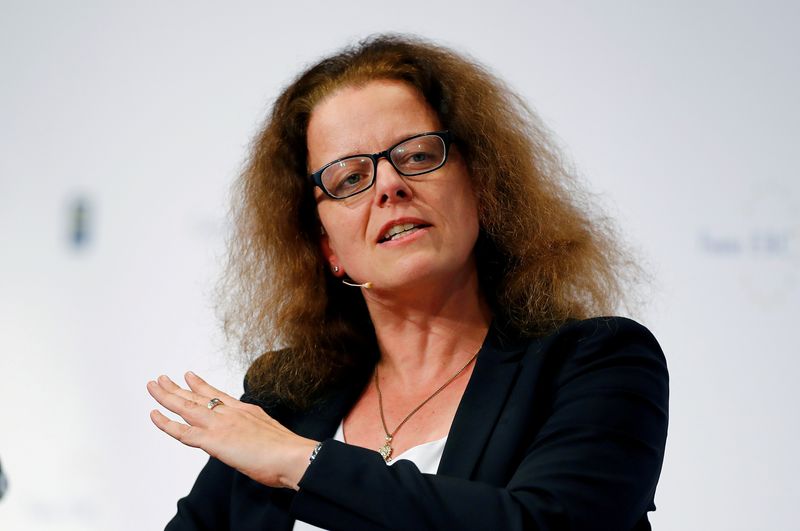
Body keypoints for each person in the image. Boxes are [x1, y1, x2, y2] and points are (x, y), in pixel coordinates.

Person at [147, 34, 669, 530]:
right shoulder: (288, 399)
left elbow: (540, 526)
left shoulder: (595, 362)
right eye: (349, 179)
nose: (391, 185)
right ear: (328, 247)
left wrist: (298, 461)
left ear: (482, 187)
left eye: (417, 156)